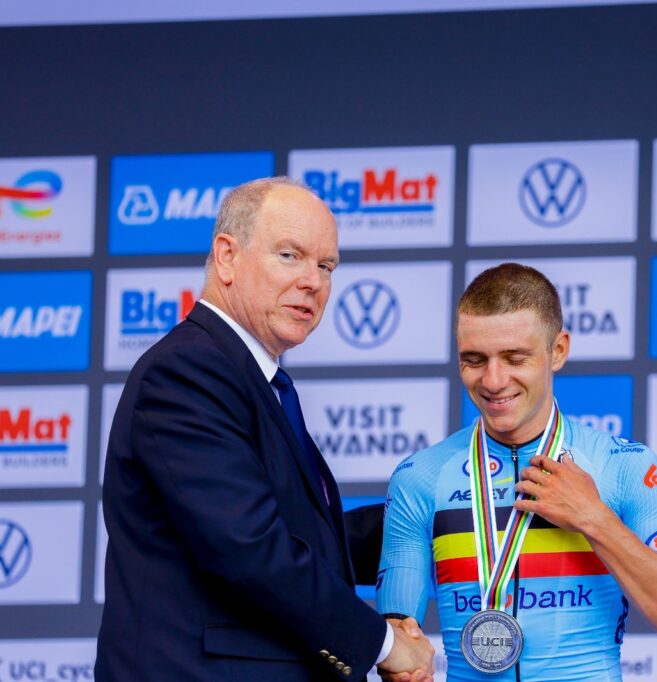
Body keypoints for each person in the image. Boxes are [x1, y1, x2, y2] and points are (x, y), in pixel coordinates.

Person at [97, 177, 434, 682]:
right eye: (290, 255)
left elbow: (285, 534)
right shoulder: (187, 372)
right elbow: (251, 548)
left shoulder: (247, 376)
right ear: (227, 256)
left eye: (326, 266)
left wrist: (429, 517)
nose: (312, 281)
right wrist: (383, 645)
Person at [377, 263, 657, 682]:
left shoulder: (623, 465)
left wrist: (593, 518)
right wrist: (402, 660)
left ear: (558, 350)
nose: (493, 380)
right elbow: (398, 636)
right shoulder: (420, 476)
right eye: (474, 360)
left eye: (515, 358)